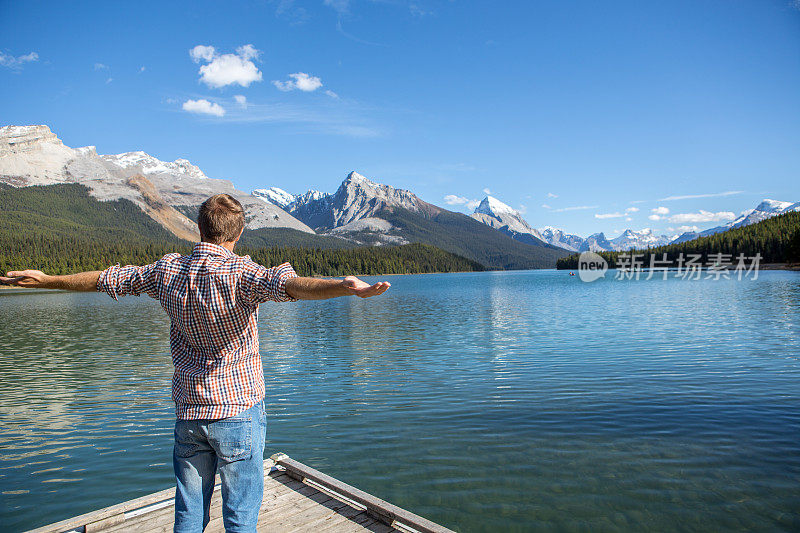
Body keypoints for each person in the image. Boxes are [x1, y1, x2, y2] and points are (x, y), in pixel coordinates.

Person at [0, 193, 390, 533]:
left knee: (188, 513)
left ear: (198, 228)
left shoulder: (167, 270)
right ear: (238, 235)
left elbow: (106, 279)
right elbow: (289, 285)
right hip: (238, 411)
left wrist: (48, 278)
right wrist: (341, 286)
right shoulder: (242, 273)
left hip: (189, 413)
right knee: (240, 518)